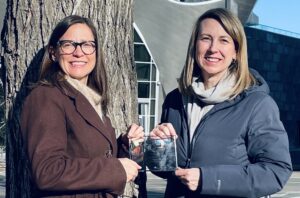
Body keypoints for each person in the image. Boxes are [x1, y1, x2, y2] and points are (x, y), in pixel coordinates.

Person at [150, 8, 292, 197]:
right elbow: (165, 170)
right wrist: (159, 149)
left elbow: (276, 171)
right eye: (206, 38)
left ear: (236, 52)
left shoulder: (257, 104)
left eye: (224, 40)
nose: (213, 48)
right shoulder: (175, 100)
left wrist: (207, 179)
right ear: (194, 46)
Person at [20, 15, 144, 198]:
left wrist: (126, 144)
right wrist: (116, 169)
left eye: (87, 45)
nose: (79, 53)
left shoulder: (91, 99)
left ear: (95, 52)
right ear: (54, 52)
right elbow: (47, 171)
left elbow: (90, 153)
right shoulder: (46, 97)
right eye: (69, 44)